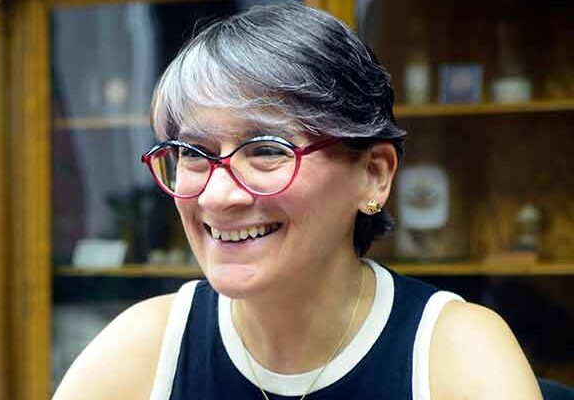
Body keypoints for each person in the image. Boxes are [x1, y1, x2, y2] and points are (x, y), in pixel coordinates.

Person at [53, 3, 542, 400]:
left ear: (373, 175)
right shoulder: (140, 355)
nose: (218, 196)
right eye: (194, 154)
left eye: (267, 150)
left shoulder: (456, 358)